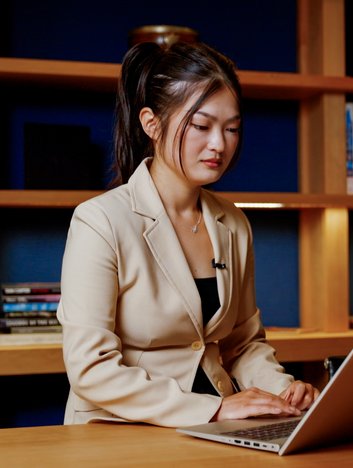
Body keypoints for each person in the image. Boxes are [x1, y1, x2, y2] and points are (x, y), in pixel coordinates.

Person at [57, 40, 319, 428]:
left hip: (215, 428)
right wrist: (212, 408)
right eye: (201, 125)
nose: (219, 144)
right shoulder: (99, 221)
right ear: (151, 123)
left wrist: (283, 391)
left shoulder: (233, 223)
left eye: (231, 129)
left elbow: (242, 344)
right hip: (118, 430)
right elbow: (90, 369)